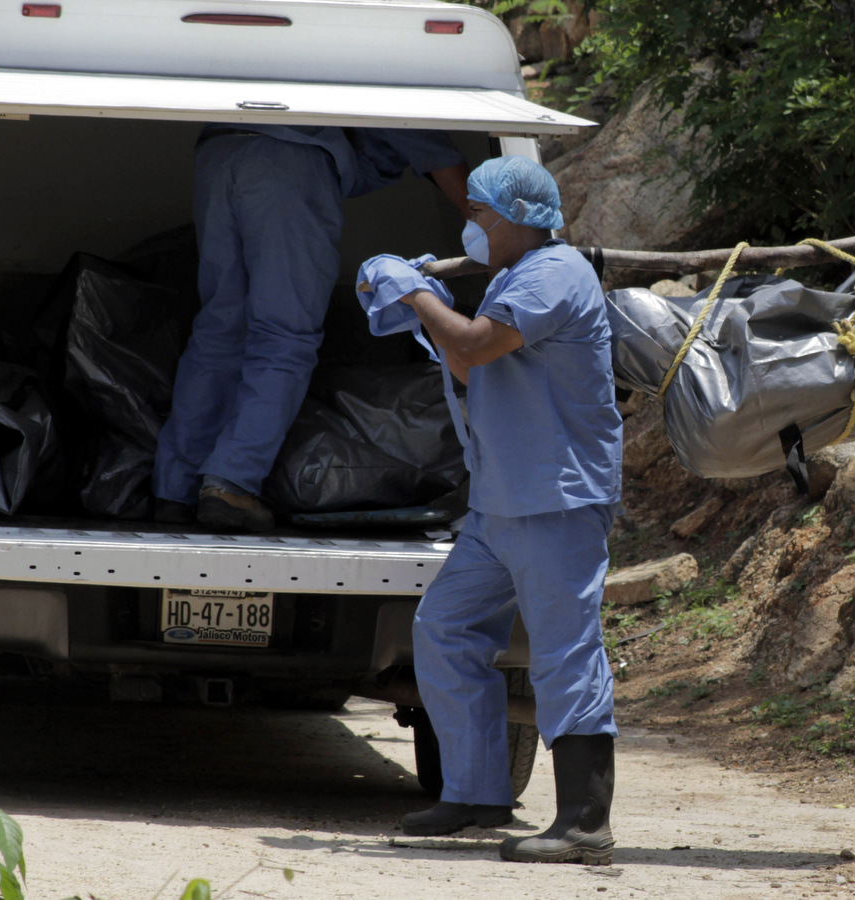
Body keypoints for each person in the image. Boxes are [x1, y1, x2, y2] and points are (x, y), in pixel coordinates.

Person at [369, 156, 623, 864]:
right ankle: (476, 793)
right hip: (502, 501)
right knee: (446, 627)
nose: (470, 227)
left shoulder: (555, 272)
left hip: (557, 499)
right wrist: (421, 307)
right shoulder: (511, 278)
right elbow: (469, 363)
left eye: (479, 214)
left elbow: (478, 344)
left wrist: (417, 295)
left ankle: (583, 822)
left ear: (518, 216)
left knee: (565, 653)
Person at [153, 124, 470, 531]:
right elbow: (439, 156)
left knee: (219, 332)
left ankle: (173, 492)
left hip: (221, 148)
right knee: (284, 337)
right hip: (290, 159)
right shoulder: (408, 75)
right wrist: (492, 232)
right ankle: (230, 484)